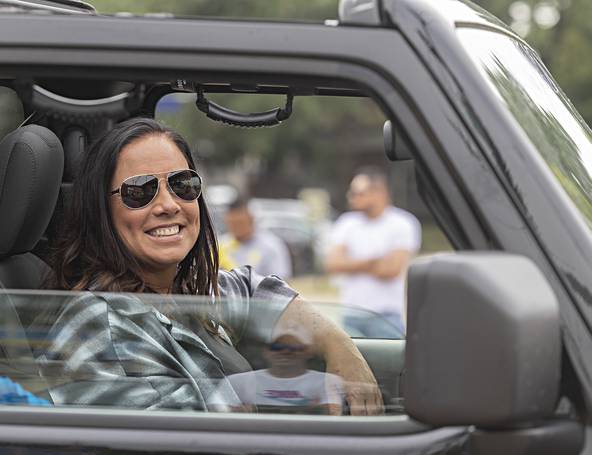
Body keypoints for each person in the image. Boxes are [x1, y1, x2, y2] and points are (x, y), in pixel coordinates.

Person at [40, 118, 381, 415]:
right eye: (139, 191)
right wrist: (280, 389)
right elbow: (165, 452)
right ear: (101, 212)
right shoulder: (99, 326)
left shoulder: (184, 291)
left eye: (182, 185)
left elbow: (257, 292)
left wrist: (341, 348)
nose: (168, 205)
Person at [325, 167, 421, 334]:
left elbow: (391, 270)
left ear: (380, 193)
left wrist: (350, 264)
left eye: (358, 192)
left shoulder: (402, 223)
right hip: (350, 314)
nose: (351, 197)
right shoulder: (347, 222)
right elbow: (332, 264)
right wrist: (373, 262)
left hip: (385, 316)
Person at [215, 324, 344, 415]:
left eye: (295, 347)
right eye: (277, 347)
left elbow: (332, 416)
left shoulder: (327, 382)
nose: (285, 352)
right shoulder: (237, 382)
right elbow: (214, 413)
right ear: (266, 351)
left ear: (309, 352)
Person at [219, 198, 292, 278]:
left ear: (251, 219)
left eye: (240, 223)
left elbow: (281, 283)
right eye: (232, 224)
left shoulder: (271, 246)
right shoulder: (221, 246)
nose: (236, 228)